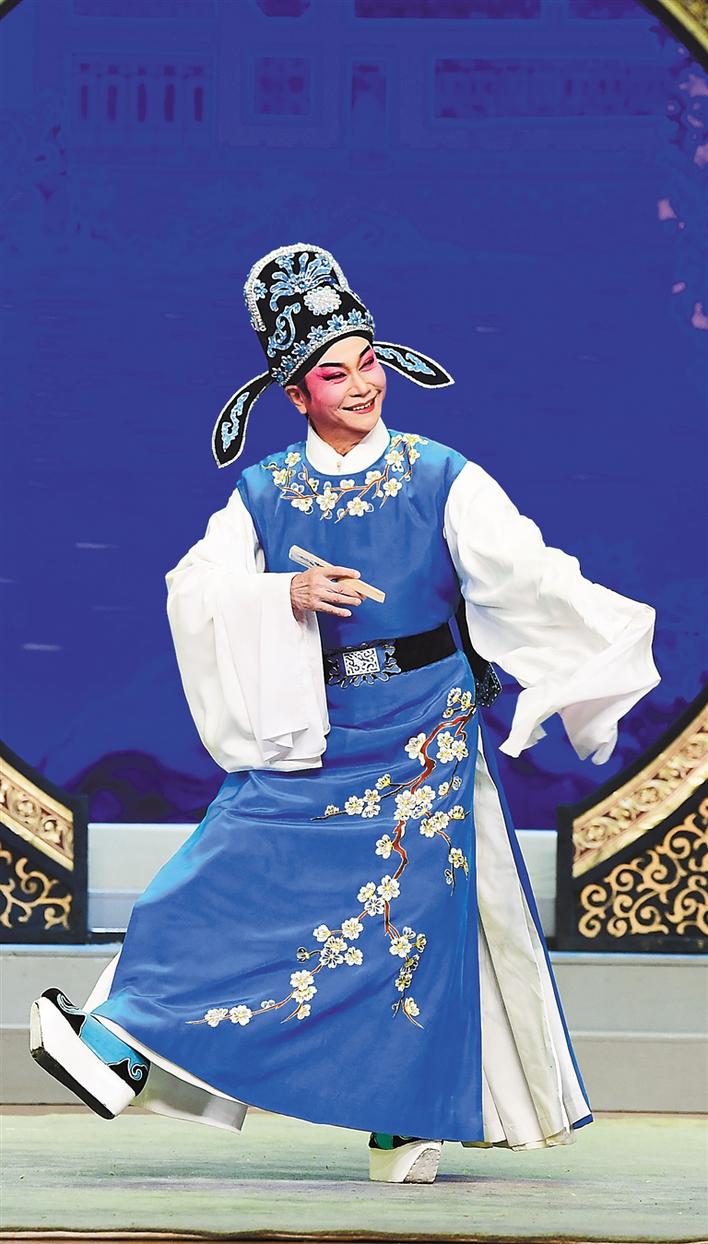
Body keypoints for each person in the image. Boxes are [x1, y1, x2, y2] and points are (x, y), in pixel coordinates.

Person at [30, 243, 660, 1184]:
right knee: (211, 879)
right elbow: (195, 590)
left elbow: (527, 576)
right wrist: (280, 593)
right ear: (296, 394)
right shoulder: (263, 493)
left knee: (416, 924)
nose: (363, 385)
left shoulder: (441, 475)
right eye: (335, 373)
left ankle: (407, 1116)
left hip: (426, 729)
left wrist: (603, 643)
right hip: (318, 728)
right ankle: (127, 1046)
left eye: (368, 362)